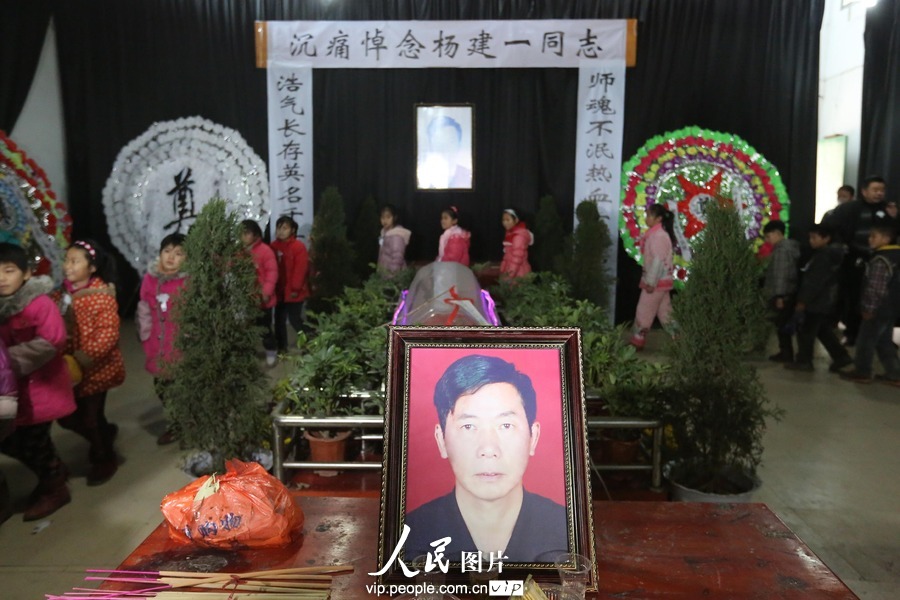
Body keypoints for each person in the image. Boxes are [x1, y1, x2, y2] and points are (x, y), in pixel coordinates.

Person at [404, 354, 568, 562]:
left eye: (506, 426)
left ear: (533, 437)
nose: (488, 449)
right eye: (469, 426)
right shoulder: (408, 537)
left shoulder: (566, 530)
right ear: (441, 440)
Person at [0, 242, 75, 520]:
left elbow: (52, 340)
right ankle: (53, 473)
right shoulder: (3, 307)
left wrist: (7, 361)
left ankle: (55, 487)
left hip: (42, 391)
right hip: (17, 394)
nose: (1, 278)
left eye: (9, 270)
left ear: (27, 274)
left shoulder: (39, 302)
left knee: (34, 443)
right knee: (17, 441)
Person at [53, 240, 126, 486]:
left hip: (97, 370)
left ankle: (104, 457)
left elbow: (107, 333)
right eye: (67, 260)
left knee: (89, 417)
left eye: (75, 261)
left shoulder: (101, 296)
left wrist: (82, 358)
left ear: (92, 267)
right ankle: (103, 434)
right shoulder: (61, 295)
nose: (68, 266)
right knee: (68, 417)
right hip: (71, 370)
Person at [823, 176, 892, 346]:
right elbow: (830, 228)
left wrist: (893, 217)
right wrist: (842, 245)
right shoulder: (849, 208)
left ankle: (882, 338)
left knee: (883, 299)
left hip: (882, 261)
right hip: (854, 259)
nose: (879, 193)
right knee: (854, 297)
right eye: (875, 190)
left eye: (881, 190)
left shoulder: (888, 209)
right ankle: (852, 333)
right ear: (864, 191)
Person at [136, 233, 187, 445]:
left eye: (178, 253)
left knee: (184, 390)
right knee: (163, 389)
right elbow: (144, 308)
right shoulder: (150, 279)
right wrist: (145, 336)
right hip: (157, 345)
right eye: (167, 251)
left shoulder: (189, 280)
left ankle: (187, 427)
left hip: (183, 346)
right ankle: (175, 425)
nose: (171, 257)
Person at [784, 224, 853, 373]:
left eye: (814, 237)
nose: (811, 241)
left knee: (806, 332)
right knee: (822, 330)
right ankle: (841, 356)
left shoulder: (824, 256)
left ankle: (804, 361)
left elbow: (814, 282)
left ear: (826, 238)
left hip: (815, 302)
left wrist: (802, 301)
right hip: (825, 301)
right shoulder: (833, 255)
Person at [840, 223, 900, 385]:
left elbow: (876, 287)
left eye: (874, 236)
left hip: (878, 309)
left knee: (865, 340)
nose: (869, 239)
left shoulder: (881, 259)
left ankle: (862, 371)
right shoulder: (896, 256)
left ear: (886, 239)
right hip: (892, 307)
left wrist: (869, 308)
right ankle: (895, 374)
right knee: (884, 341)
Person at [630, 204, 676, 350]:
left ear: (659, 219)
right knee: (665, 313)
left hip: (655, 282)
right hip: (661, 281)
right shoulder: (657, 234)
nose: (647, 218)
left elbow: (658, 261)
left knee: (644, 310)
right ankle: (680, 340)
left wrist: (650, 282)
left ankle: (637, 342)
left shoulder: (658, 236)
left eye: (650, 215)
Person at [269, 216, 310, 353]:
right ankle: (282, 347)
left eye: (285, 228)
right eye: (278, 228)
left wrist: (295, 288)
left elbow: (301, 269)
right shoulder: (273, 247)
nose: (281, 231)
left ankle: (310, 341)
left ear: (292, 230)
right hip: (279, 291)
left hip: (294, 292)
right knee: (279, 321)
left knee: (295, 320)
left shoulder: (298, 247)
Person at [240, 220, 278, 366]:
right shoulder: (239, 252)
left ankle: (271, 351)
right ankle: (248, 354)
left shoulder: (265, 250)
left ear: (255, 234)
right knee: (246, 328)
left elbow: (272, 273)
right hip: (245, 299)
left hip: (263, 299)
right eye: (241, 233)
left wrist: (266, 292)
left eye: (247, 233)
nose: (243, 236)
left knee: (264, 328)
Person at [762, 221, 800, 362]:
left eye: (768, 236)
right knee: (782, 324)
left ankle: (786, 353)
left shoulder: (782, 251)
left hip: (783, 294)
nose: (767, 240)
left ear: (778, 233)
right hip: (789, 292)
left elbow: (781, 274)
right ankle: (786, 352)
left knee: (782, 325)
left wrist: (779, 296)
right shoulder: (791, 248)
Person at [418, 116, 472, 189]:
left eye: (450, 142)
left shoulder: (469, 176)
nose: (445, 148)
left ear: (459, 145)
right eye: (439, 142)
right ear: (431, 146)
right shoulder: (421, 177)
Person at [499, 209, 533, 280]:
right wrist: (502, 270)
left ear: (516, 220)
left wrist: (509, 275)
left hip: (519, 274)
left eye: (508, 220)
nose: (505, 223)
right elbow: (507, 256)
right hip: (512, 271)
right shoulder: (510, 234)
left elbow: (517, 258)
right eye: (503, 220)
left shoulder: (519, 236)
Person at [377, 204, 412, 273]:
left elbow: (398, 257)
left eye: (388, 217)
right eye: (382, 218)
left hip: (394, 276)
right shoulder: (384, 233)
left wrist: (392, 273)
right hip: (384, 272)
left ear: (394, 217)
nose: (385, 220)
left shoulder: (397, 236)